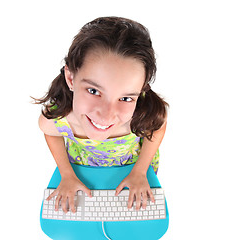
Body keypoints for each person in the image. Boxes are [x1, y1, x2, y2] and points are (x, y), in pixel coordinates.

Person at [34, 16, 168, 215]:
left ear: (141, 91)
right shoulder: (58, 120)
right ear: (71, 78)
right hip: (83, 170)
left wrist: (140, 171)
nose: (106, 116)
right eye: (94, 91)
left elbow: (158, 126)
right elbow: (50, 132)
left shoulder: (142, 113)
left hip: (134, 169)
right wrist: (67, 173)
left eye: (125, 98)